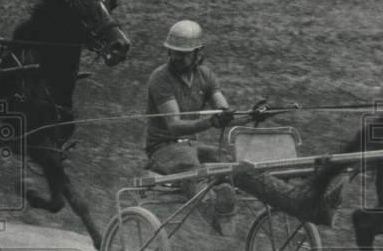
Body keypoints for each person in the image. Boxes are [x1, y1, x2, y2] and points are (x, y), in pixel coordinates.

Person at [145, 20, 340, 233]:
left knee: (242, 169)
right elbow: (175, 125)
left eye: (183, 54)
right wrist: (209, 122)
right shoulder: (160, 79)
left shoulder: (206, 76)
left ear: (197, 53)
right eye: (173, 52)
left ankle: (312, 207)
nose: (176, 58)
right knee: (190, 167)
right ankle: (218, 212)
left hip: (192, 147)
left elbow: (225, 113)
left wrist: (254, 114)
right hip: (163, 149)